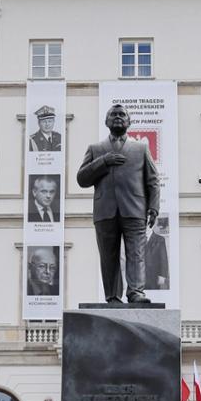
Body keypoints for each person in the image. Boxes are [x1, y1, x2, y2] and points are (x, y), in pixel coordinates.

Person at [77, 104, 160, 303]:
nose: (118, 117)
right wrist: (103, 161)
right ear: (106, 122)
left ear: (129, 122)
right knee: (108, 257)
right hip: (105, 211)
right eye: (113, 114)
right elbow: (82, 179)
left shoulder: (141, 148)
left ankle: (136, 292)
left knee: (137, 253)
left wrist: (154, 207)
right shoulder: (96, 149)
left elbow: (153, 180)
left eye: (122, 114)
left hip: (135, 209)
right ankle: (113, 296)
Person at [142, 217, 171, 291]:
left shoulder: (160, 239)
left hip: (154, 274)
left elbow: (164, 259)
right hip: (140, 275)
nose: (146, 226)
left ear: (153, 225)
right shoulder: (138, 239)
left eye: (148, 224)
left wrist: (162, 276)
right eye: (144, 224)